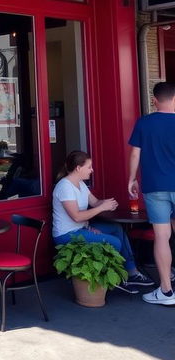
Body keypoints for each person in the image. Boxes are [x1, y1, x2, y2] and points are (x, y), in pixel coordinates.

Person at [53, 150, 153, 294]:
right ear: (78, 168)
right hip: (67, 235)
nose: (92, 170)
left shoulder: (80, 184)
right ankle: (118, 279)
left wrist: (106, 203)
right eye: (89, 167)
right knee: (115, 242)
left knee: (117, 228)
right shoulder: (65, 187)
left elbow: (94, 203)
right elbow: (76, 217)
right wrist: (101, 208)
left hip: (81, 229)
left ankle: (132, 273)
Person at [128, 81, 175, 305]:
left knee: (162, 237)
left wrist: (131, 179)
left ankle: (166, 291)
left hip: (155, 186)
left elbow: (135, 155)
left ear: (154, 100)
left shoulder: (144, 123)